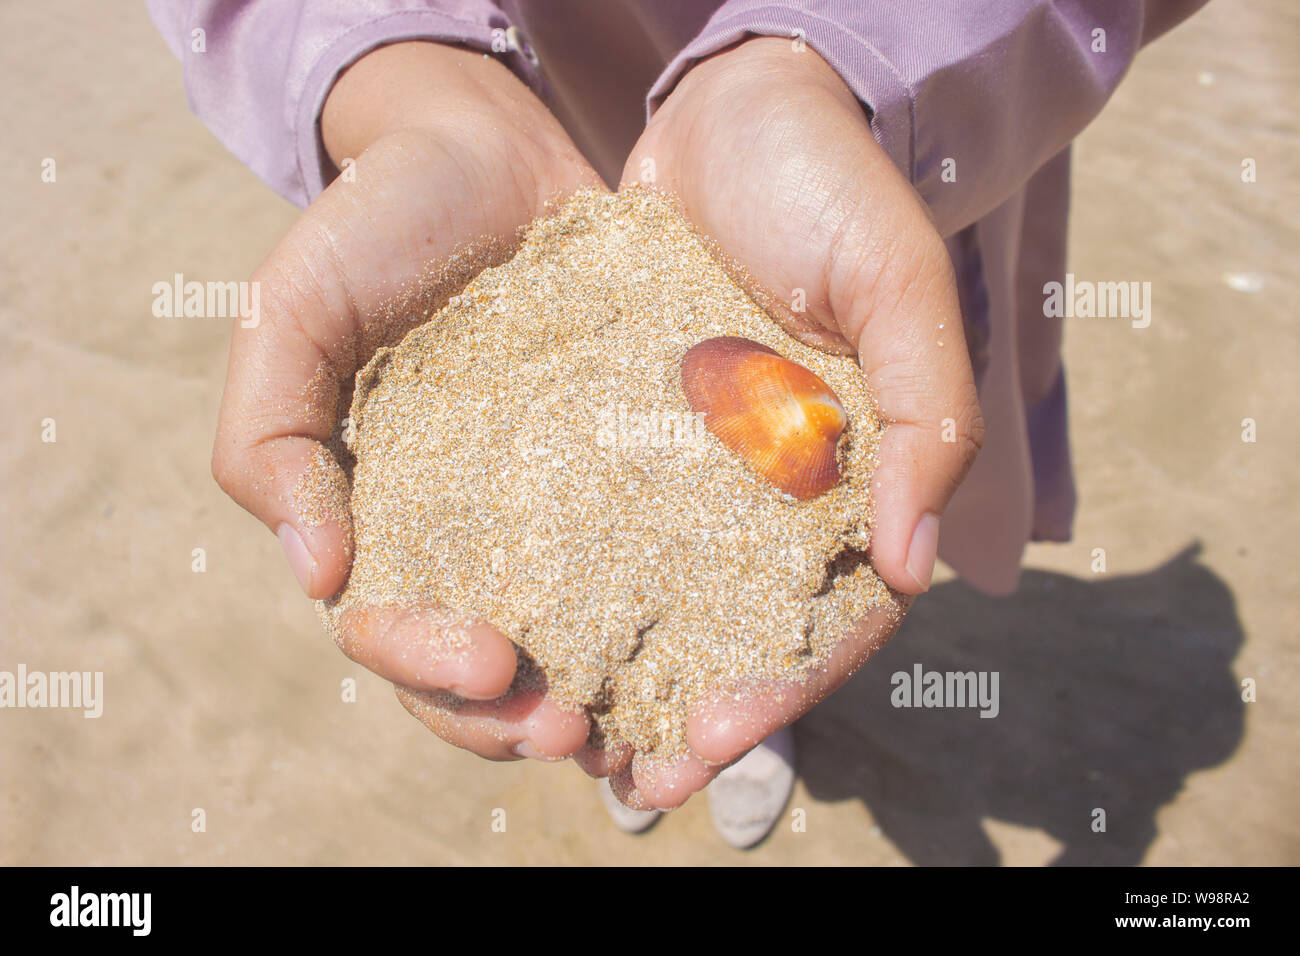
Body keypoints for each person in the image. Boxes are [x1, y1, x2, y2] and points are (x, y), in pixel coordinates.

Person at [147, 0, 1208, 848]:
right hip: (530, 76)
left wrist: (829, 60)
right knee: (821, 529)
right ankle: (685, 689)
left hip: (870, 124)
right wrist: (400, 76)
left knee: (885, 453)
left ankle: (749, 694)